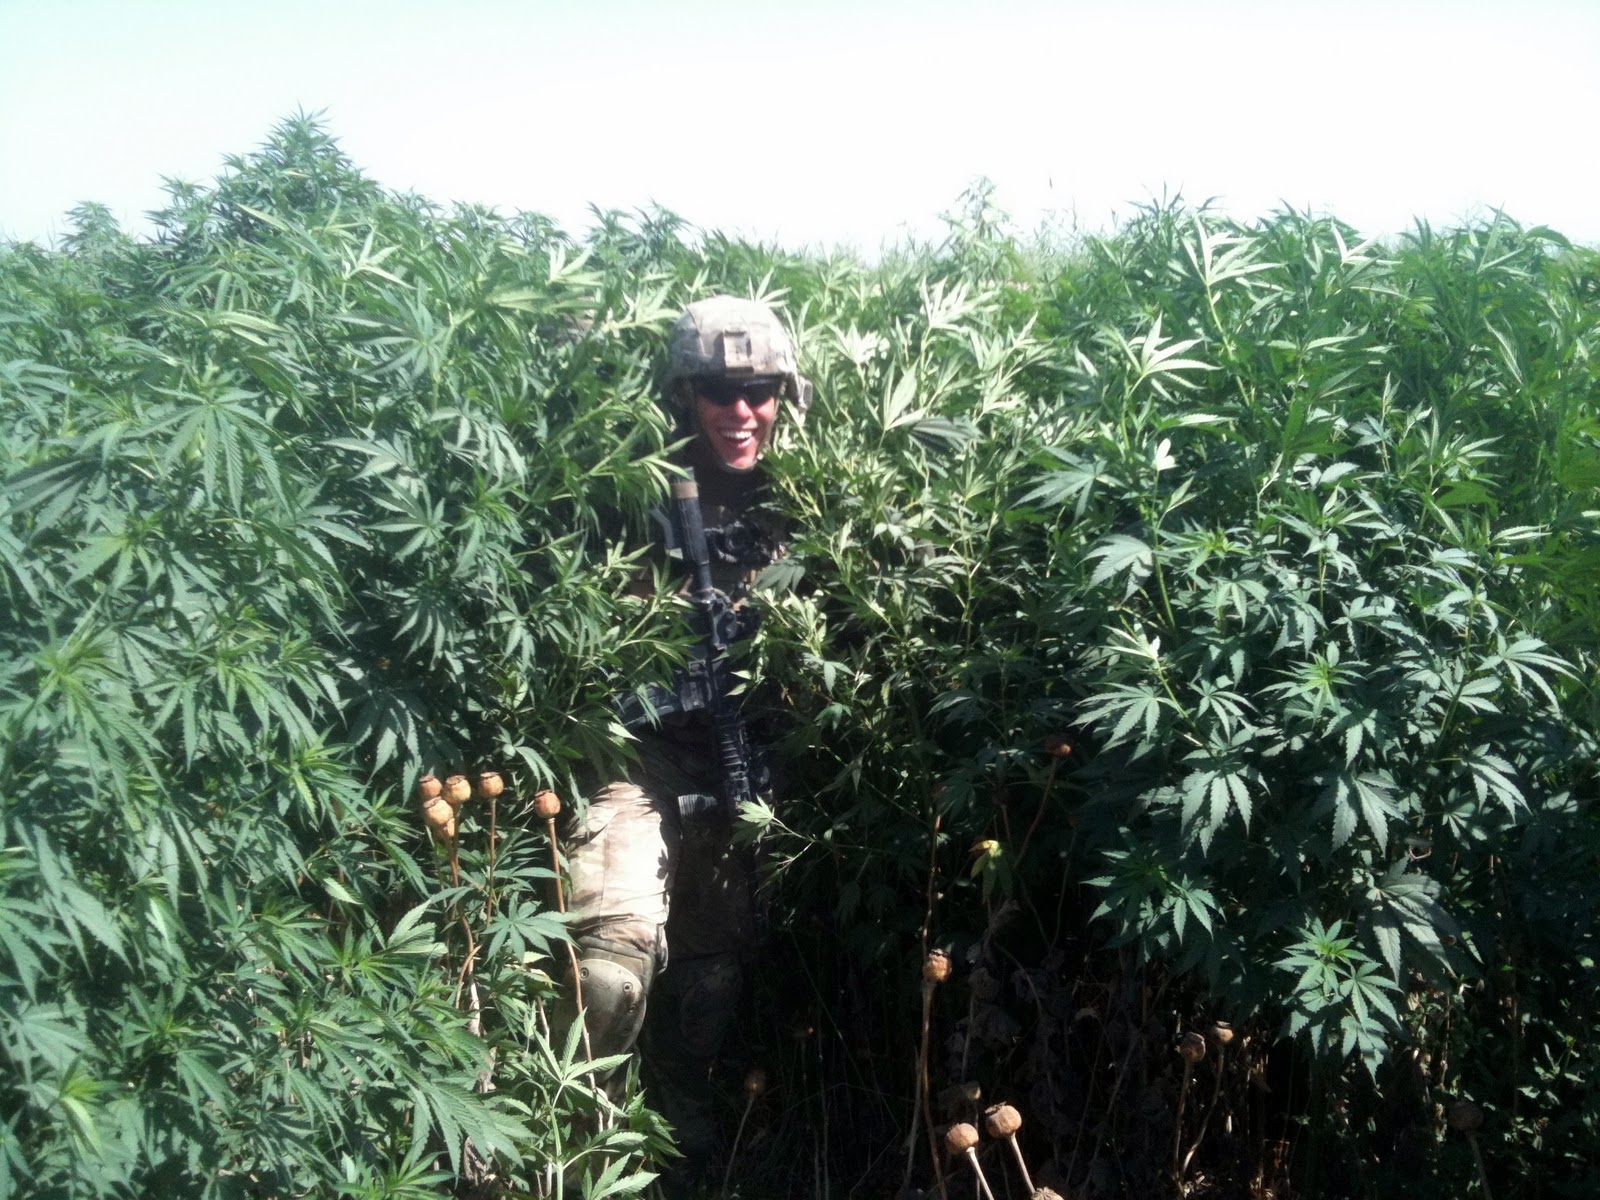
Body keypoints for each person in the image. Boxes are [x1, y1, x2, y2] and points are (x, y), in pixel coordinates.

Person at [564, 295, 808, 1165]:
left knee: (713, 975)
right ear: (681, 393)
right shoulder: (632, 483)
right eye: (717, 390)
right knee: (611, 962)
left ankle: (681, 1124)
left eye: (759, 392)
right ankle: (583, 1131)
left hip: (738, 761)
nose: (740, 411)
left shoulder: (803, 502)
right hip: (637, 755)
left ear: (784, 395)